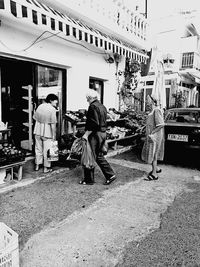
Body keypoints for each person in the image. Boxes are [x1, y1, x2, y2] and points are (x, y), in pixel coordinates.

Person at [79, 89, 116, 185]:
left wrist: (86, 135)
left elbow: (94, 123)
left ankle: (88, 179)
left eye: (87, 98)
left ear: (90, 98)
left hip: (95, 134)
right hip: (102, 133)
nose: (87, 100)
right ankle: (110, 174)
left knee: (89, 155)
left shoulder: (93, 106)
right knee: (98, 155)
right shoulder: (102, 106)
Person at [33, 94, 58, 173]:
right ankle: (45, 168)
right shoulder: (52, 109)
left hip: (37, 130)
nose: (56, 103)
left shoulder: (40, 106)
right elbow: (53, 124)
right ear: (51, 100)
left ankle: (37, 165)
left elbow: (35, 118)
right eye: (55, 101)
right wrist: (54, 136)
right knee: (47, 150)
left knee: (38, 149)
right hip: (47, 132)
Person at [141, 95, 165, 180]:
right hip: (152, 135)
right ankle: (156, 169)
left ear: (153, 101)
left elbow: (161, 125)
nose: (147, 102)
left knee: (154, 155)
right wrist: (144, 127)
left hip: (155, 136)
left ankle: (154, 174)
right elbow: (152, 123)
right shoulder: (152, 111)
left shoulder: (156, 110)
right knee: (152, 154)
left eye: (148, 100)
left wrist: (152, 132)